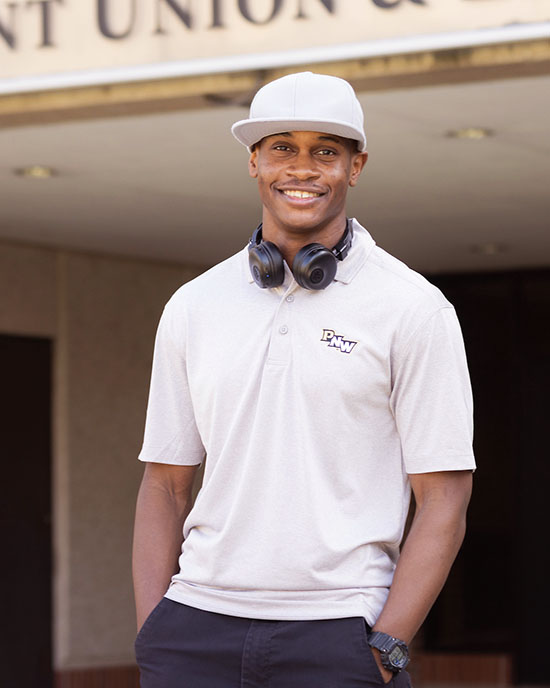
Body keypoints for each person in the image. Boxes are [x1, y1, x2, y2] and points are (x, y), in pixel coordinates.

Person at [132, 71, 475, 688]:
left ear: (355, 166)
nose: (303, 168)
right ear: (254, 162)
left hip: (339, 633)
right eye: (282, 147)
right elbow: (165, 483)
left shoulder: (414, 309)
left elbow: (444, 498)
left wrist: (386, 646)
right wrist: (154, 632)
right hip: (195, 628)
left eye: (326, 151)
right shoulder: (194, 304)